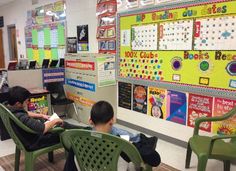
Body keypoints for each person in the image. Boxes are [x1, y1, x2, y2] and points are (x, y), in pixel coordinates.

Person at [64, 101, 161, 170]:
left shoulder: (78, 139)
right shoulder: (121, 143)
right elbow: (155, 160)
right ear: (112, 121)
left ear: (90, 121)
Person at [6, 86, 83, 151]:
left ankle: (80, 129)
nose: (28, 102)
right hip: (34, 142)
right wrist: (56, 120)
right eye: (26, 101)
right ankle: (81, 131)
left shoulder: (9, 108)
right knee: (65, 133)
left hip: (26, 139)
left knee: (58, 125)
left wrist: (41, 116)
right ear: (18, 104)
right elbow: (43, 128)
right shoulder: (22, 117)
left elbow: (25, 113)